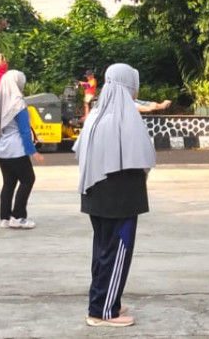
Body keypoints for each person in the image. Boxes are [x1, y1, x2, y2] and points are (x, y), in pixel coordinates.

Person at [76, 63, 156, 328]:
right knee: (117, 252)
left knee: (103, 251)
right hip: (119, 199)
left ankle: (107, 300)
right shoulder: (126, 119)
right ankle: (102, 311)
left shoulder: (96, 117)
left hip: (97, 196)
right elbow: (143, 159)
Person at [0, 70, 46, 229]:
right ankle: (18, 216)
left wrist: (1, 69)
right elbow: (24, 130)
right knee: (28, 180)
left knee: (9, 182)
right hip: (15, 148)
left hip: (0, 146)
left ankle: (5, 217)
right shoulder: (18, 103)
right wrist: (33, 151)